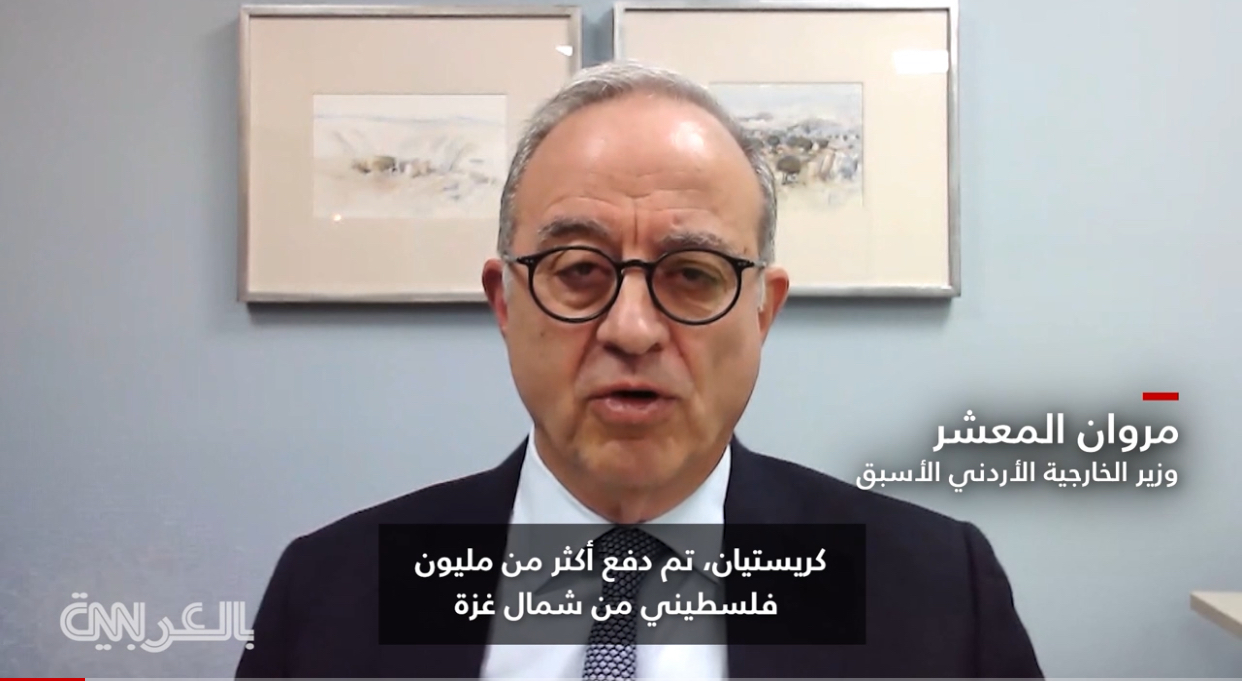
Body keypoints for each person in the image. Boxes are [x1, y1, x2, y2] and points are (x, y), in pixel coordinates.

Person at [235, 61, 1043, 679]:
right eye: (578, 270)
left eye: (692, 272)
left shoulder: (936, 590)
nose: (631, 328)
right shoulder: (332, 589)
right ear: (505, 301)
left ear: (762, 311)